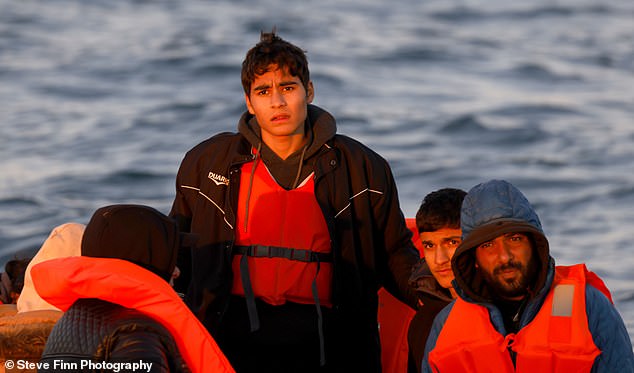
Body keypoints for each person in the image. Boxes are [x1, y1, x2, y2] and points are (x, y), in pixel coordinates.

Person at [170, 30, 420, 372]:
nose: (277, 102)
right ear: (249, 102)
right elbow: (177, 249)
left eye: (288, 88)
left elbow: (394, 252)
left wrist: (440, 295)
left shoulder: (362, 167)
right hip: (227, 335)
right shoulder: (207, 163)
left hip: (330, 341)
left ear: (309, 91)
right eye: (263, 92)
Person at [422, 179, 634, 373]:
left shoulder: (589, 307)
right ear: (473, 258)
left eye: (514, 239)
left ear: (534, 244)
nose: (504, 256)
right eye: (488, 245)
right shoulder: (445, 326)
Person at [32, 205, 234, 373]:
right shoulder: (136, 335)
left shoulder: (75, 317)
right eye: (168, 260)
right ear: (146, 259)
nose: (177, 272)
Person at [407, 188, 466, 373]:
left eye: (452, 242)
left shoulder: (505, 312)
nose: (439, 259)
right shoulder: (423, 321)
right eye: (429, 246)